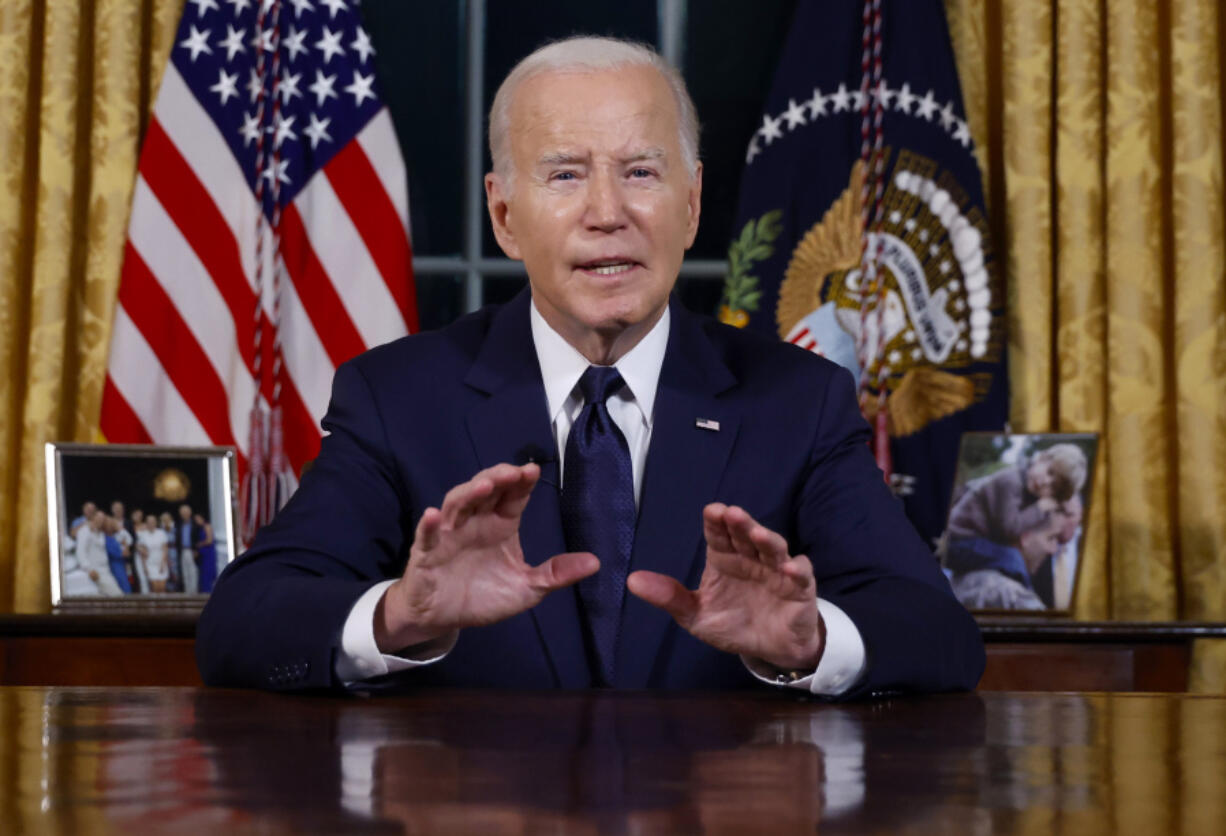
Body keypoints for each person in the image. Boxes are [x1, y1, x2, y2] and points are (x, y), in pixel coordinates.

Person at [197, 36, 984, 698]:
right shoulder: (399, 398)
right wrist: (399, 617)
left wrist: (811, 643)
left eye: (641, 171)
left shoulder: (800, 400)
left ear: (692, 204)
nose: (609, 211)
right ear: (505, 216)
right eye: (566, 173)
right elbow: (245, 621)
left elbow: (939, 635)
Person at [945, 444, 1087, 548]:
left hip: (976, 538)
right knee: (1009, 559)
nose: (1045, 482)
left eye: (1053, 487)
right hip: (959, 535)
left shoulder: (1030, 492)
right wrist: (1040, 507)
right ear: (1041, 459)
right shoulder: (1011, 481)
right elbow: (1009, 528)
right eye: (1050, 471)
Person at [194, 514, 218, 595]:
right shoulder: (200, 528)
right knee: (203, 575)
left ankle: (208, 593)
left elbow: (209, 540)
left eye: (198, 519)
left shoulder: (207, 526)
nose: (197, 521)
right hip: (203, 554)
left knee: (208, 574)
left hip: (208, 554)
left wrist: (200, 544)